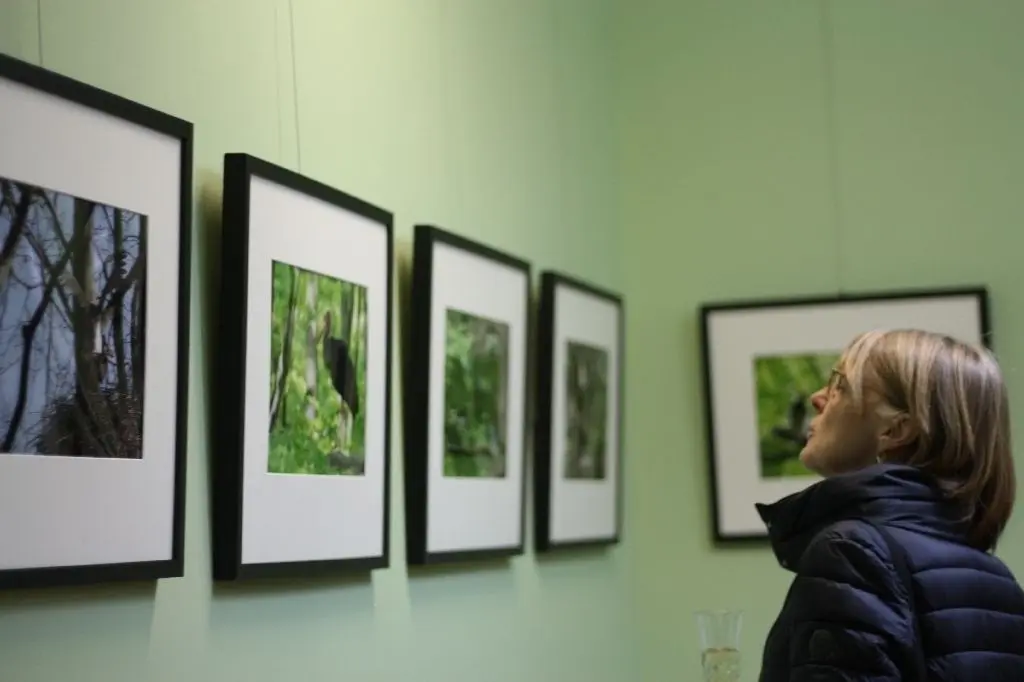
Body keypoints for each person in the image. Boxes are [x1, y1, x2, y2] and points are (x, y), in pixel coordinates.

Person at [756, 329, 1024, 681]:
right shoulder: (999, 578)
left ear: (896, 430)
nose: (818, 397)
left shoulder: (851, 552)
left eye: (840, 385)